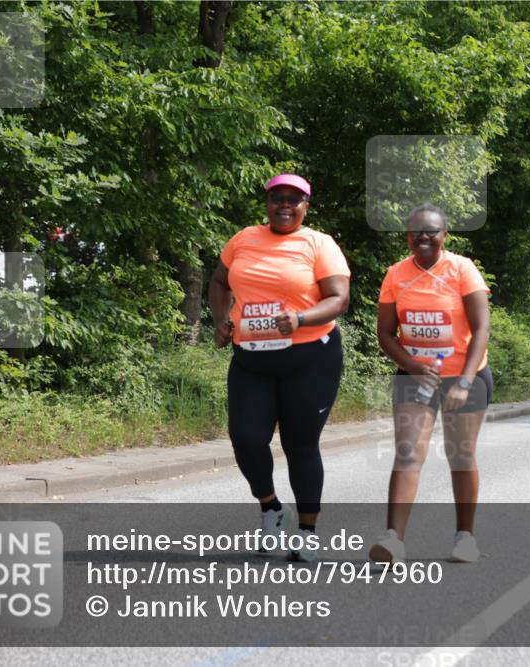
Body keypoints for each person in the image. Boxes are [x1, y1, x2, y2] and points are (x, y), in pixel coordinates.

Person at [209, 173, 350, 562]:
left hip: (311, 359)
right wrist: (220, 320)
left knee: (300, 445)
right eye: (277, 198)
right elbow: (218, 282)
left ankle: (306, 531)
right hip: (251, 359)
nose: (284, 205)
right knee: (246, 439)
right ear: (267, 202)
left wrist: (302, 318)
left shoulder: (319, 243)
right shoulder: (243, 239)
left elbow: (339, 299)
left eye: (294, 199)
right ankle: (270, 507)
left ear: (306, 205)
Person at [369, 203, 492, 564]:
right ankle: (393, 539)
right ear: (407, 236)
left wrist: (465, 382)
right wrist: (412, 365)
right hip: (415, 376)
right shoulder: (395, 275)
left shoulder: (461, 269)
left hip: (465, 374)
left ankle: (465, 537)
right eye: (416, 231)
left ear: (444, 236)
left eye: (431, 231)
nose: (423, 237)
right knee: (408, 452)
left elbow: (482, 328)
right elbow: (386, 333)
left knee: (461, 454)